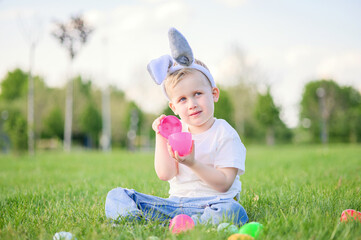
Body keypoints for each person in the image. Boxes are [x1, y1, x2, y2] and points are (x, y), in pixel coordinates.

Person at [105, 28, 248, 226]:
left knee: (233, 211)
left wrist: (192, 163)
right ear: (173, 107)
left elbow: (224, 184)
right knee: (117, 195)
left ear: (214, 93)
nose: (192, 104)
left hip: (215, 203)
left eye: (198, 93)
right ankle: (148, 221)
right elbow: (166, 174)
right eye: (182, 99)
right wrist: (161, 136)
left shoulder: (224, 133)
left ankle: (187, 223)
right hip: (174, 205)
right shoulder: (176, 132)